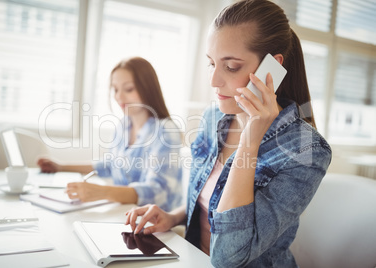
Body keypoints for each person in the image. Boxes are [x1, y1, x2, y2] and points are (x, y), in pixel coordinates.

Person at [125, 0, 332, 267]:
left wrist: (250, 140)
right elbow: (208, 199)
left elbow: (228, 258)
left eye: (231, 66)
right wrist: (173, 217)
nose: (213, 81)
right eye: (211, 63)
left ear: (272, 68)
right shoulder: (214, 117)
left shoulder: (307, 150)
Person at [38, 57, 183, 212]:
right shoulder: (124, 125)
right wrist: (61, 166)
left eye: (128, 89)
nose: (119, 97)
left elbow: (157, 192)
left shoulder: (166, 131)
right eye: (115, 89)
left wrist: (101, 192)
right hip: (124, 214)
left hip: (154, 224)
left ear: (148, 88)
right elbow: (109, 165)